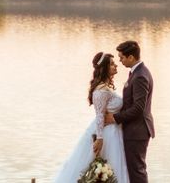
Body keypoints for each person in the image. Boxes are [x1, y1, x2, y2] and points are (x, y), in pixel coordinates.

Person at [52, 52, 130, 183]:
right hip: (106, 134)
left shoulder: (106, 88)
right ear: (104, 68)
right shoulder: (100, 90)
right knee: (101, 167)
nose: (116, 65)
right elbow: (99, 115)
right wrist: (99, 139)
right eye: (112, 64)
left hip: (114, 131)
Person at [105, 40, 154, 183]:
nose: (120, 61)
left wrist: (115, 118)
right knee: (134, 169)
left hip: (137, 131)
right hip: (135, 130)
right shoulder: (137, 72)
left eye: (121, 57)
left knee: (136, 170)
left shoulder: (140, 76)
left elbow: (138, 108)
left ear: (131, 57)